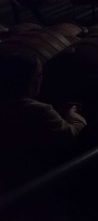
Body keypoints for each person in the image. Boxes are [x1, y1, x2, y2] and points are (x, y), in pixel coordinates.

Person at [0, 53, 87, 190]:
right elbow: (74, 134)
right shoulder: (39, 111)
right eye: (39, 75)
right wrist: (72, 114)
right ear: (31, 80)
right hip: (28, 179)